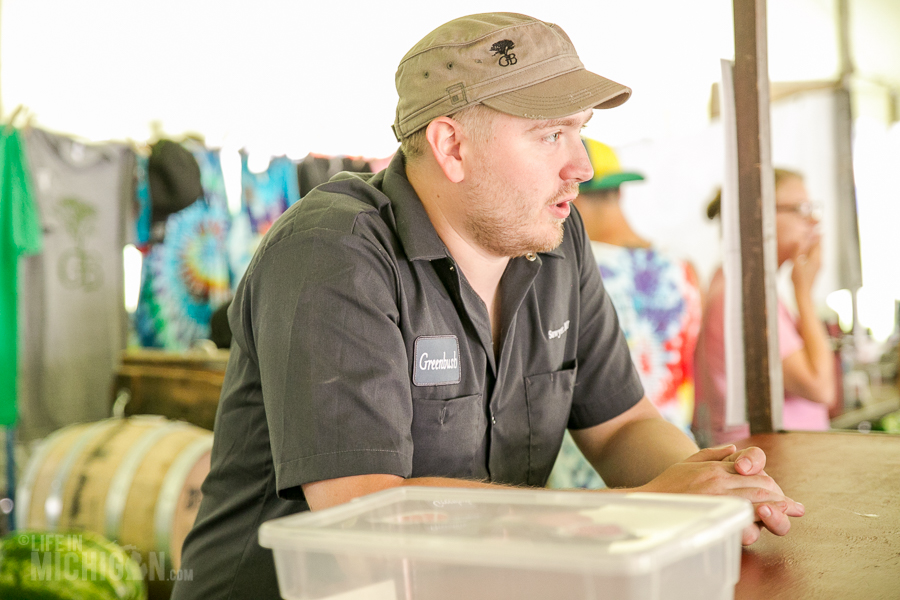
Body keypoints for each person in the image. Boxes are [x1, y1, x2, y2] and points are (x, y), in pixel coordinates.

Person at [172, 13, 803, 600]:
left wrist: (713, 484)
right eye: (550, 134)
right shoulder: (333, 253)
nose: (580, 167)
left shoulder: (555, 240)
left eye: (580, 132)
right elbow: (362, 517)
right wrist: (644, 506)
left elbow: (622, 426)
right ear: (451, 147)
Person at [548, 138, 702, 489]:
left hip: (586, 466)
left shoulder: (566, 272)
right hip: (675, 456)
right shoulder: (683, 270)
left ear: (571, 198)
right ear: (618, 194)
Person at [693, 168, 836, 446]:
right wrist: (804, 293)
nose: (813, 220)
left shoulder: (746, 286)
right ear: (758, 217)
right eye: (800, 209)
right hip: (769, 462)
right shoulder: (742, 297)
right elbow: (820, 387)